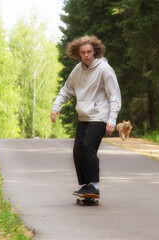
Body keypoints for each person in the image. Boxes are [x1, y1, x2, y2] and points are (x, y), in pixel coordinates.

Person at [50, 35, 121, 198]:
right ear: (78, 53)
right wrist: (56, 106)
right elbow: (67, 90)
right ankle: (86, 186)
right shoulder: (78, 70)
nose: (87, 55)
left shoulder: (104, 69)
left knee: (88, 147)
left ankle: (94, 186)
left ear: (95, 51)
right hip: (84, 117)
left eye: (89, 52)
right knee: (78, 151)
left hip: (100, 116)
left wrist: (112, 119)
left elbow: (114, 96)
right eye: (83, 52)